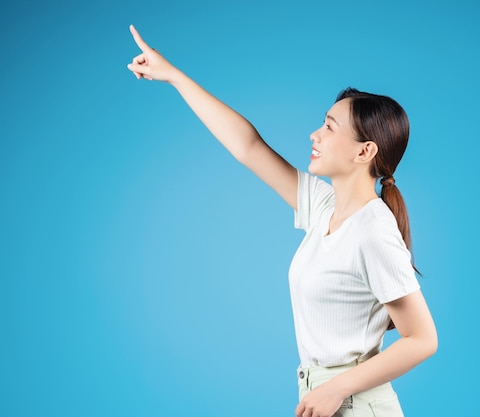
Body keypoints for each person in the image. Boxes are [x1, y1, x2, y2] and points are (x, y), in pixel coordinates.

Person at [126, 24, 437, 417]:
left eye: (328, 127)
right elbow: (248, 146)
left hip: (353, 403)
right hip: (324, 398)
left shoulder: (373, 230)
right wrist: (173, 75)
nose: (314, 134)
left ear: (365, 152)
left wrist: (335, 389)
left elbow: (422, 339)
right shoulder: (324, 206)